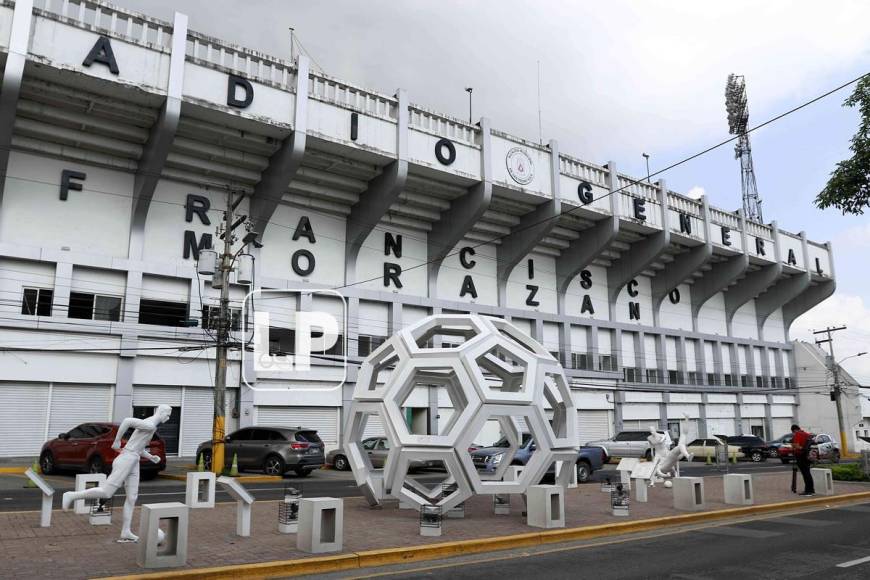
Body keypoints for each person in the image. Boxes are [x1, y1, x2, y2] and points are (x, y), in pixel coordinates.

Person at [62, 405, 172, 542]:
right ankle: (72, 495)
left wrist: (150, 457)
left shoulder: (151, 426)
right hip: (126, 459)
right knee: (107, 492)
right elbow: (127, 421)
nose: (169, 417)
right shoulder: (149, 424)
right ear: (161, 412)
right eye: (168, 414)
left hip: (134, 460)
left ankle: (126, 531)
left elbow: (138, 446)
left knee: (132, 497)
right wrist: (116, 440)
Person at [790, 423, 815, 496]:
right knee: (808, 473)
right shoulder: (806, 434)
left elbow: (797, 446)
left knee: (805, 474)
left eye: (793, 432)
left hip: (801, 456)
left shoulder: (797, 434)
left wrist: (793, 446)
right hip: (808, 456)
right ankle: (811, 490)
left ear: (794, 430)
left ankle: (808, 491)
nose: (793, 434)